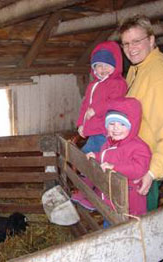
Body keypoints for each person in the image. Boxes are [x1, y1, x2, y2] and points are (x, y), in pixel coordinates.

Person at [118, 15, 163, 211]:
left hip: (144, 171)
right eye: (126, 44)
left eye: (137, 41)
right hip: (132, 161)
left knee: (141, 230)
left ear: (151, 40)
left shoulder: (160, 77)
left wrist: (152, 172)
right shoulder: (138, 68)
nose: (131, 48)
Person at [71, 40, 127, 205]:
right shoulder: (92, 86)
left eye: (106, 65)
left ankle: (94, 197)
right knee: (86, 162)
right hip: (93, 131)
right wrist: (81, 124)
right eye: (98, 66)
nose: (102, 70)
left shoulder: (118, 84)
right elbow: (84, 106)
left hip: (105, 132)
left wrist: (97, 109)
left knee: (97, 164)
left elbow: (114, 102)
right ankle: (86, 194)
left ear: (115, 65)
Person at [86, 97, 152, 217]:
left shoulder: (139, 147)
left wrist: (115, 168)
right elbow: (108, 156)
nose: (116, 128)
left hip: (129, 204)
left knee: (128, 230)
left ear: (132, 125)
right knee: (111, 222)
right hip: (111, 199)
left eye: (122, 124)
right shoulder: (109, 143)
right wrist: (96, 156)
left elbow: (139, 169)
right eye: (111, 123)